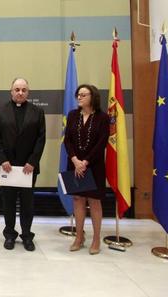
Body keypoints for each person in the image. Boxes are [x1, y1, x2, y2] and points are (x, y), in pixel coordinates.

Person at [0, 77, 46, 252]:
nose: (20, 93)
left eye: (23, 90)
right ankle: (9, 235)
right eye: (17, 89)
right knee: (8, 203)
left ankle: (27, 235)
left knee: (27, 204)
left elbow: (41, 139)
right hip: (7, 166)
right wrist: (3, 160)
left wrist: (32, 161)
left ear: (28, 92)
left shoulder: (38, 112)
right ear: (11, 91)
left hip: (27, 168)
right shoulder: (1, 111)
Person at [63, 84, 109, 255]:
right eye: (78, 95)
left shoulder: (103, 118)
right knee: (78, 199)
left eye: (83, 94)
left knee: (94, 202)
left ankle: (96, 239)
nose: (79, 97)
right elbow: (67, 140)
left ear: (93, 97)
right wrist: (75, 160)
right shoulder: (73, 115)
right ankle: (79, 236)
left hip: (94, 165)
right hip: (74, 164)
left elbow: (102, 142)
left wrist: (85, 162)